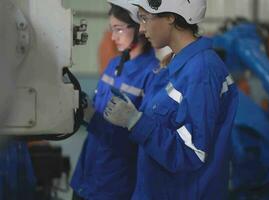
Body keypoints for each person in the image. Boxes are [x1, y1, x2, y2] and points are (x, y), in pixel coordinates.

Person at [103, 0, 239, 199]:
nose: (141, 28)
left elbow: (192, 152)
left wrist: (135, 121)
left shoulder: (201, 71)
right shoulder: (178, 65)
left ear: (170, 17)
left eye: (144, 18)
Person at [70, 0, 159, 199]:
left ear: (139, 28)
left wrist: (95, 119)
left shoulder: (152, 75)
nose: (112, 37)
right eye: (111, 29)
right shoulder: (114, 65)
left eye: (118, 29)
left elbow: (141, 139)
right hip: (86, 175)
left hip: (114, 183)